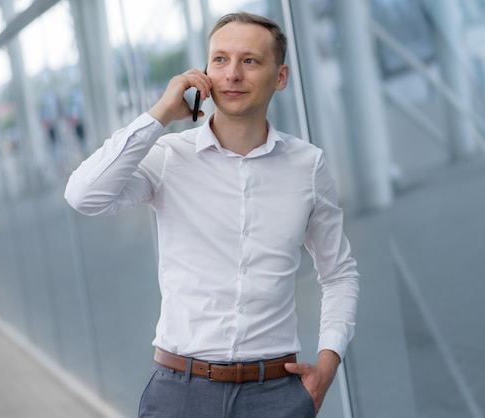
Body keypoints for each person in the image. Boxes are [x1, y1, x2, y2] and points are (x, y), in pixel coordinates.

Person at [65, 12, 359, 417]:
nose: (232, 74)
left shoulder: (308, 166)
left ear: (281, 76)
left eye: (250, 61)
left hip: (275, 395)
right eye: (220, 60)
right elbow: (84, 195)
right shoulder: (169, 157)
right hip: (179, 394)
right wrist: (160, 115)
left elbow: (339, 274)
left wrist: (327, 365)